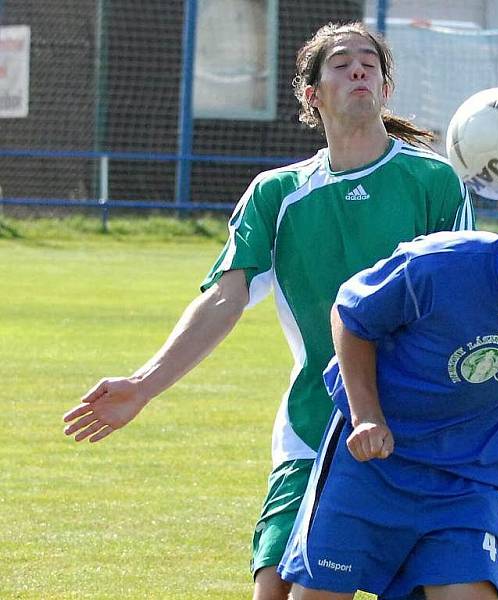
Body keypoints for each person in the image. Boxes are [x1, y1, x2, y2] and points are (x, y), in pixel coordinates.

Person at [62, 21, 474, 600]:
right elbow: (222, 299)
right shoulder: (276, 193)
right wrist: (144, 383)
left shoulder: (433, 180)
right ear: (312, 94)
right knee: (275, 587)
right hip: (315, 422)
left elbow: (456, 305)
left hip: (414, 424)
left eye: (370, 63)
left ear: (384, 87)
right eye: (341, 63)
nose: (359, 69)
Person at [277, 173, 498, 600]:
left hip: (470, 476)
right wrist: (367, 417)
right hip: (377, 461)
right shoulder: (436, 265)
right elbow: (350, 316)